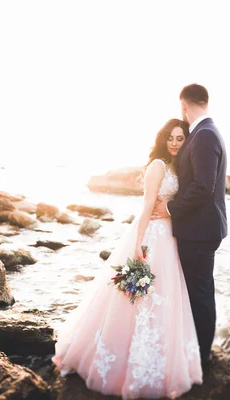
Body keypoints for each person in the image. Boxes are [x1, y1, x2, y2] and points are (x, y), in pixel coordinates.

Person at [52, 118, 202, 399]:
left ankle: (162, 360)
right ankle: (120, 361)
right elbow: (146, 205)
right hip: (152, 237)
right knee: (135, 298)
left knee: (164, 299)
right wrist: (137, 245)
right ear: (162, 138)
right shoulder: (157, 166)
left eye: (180, 138)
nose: (174, 142)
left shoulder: (179, 167)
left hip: (171, 239)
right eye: (170, 137)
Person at [152, 84, 228, 365]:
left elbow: (203, 186)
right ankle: (196, 349)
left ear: (183, 106)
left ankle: (202, 356)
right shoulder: (206, 132)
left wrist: (170, 207)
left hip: (199, 231)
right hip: (201, 229)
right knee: (198, 292)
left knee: (200, 294)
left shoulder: (204, 135)